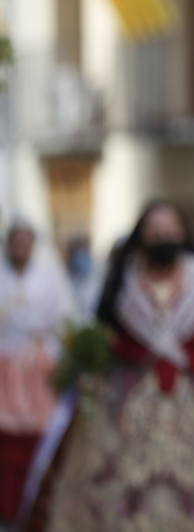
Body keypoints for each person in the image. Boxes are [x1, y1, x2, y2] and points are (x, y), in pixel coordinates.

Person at [37, 200, 194, 531]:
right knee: (115, 478)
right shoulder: (123, 280)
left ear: (183, 233)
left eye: (170, 229)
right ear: (141, 236)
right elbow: (103, 332)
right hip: (130, 396)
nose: (163, 236)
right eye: (155, 231)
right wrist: (86, 367)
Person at [0, 218, 75, 525]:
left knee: (37, 440)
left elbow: (63, 321)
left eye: (26, 241)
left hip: (38, 368)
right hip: (3, 367)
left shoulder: (48, 278)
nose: (21, 247)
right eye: (15, 241)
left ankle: (32, 506)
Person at [62, 235, 100, 316]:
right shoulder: (66, 279)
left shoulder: (97, 277)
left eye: (83, 249)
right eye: (77, 250)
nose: (81, 255)